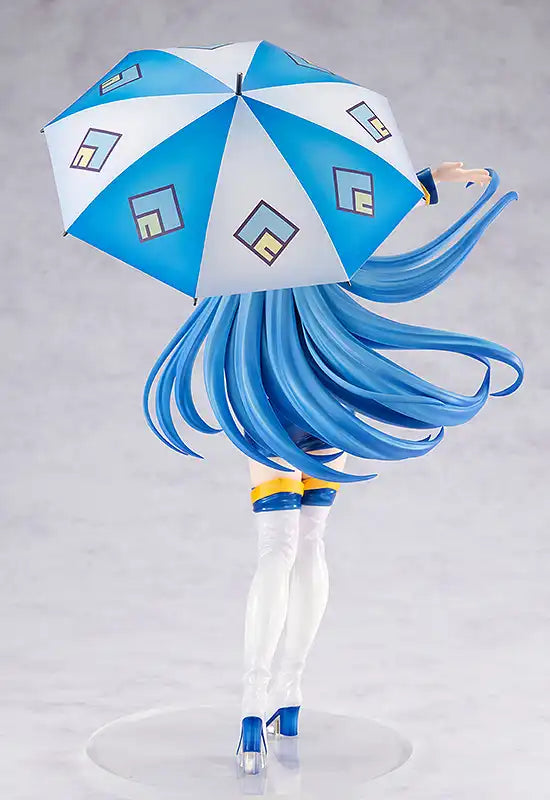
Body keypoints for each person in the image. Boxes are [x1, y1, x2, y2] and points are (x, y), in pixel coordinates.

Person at [144, 163, 523, 774]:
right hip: (322, 398)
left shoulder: (226, 239)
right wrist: (430, 179)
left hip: (267, 400)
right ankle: (290, 695)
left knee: (276, 549)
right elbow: (375, 211)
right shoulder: (319, 227)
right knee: (312, 541)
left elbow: (193, 281)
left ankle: (252, 708)